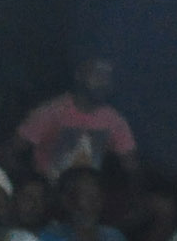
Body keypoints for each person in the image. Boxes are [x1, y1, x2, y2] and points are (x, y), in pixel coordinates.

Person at [9, 55, 140, 186]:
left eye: (108, 76)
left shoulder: (115, 121)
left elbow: (131, 167)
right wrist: (30, 183)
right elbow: (10, 152)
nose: (104, 81)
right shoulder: (52, 111)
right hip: (49, 189)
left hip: (87, 193)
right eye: (98, 73)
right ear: (79, 75)